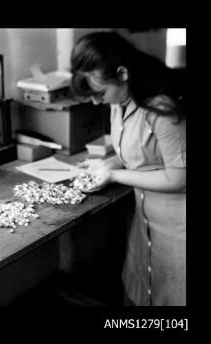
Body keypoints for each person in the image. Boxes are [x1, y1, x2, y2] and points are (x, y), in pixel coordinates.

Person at [70, 31, 186, 306]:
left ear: (122, 73)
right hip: (145, 222)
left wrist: (113, 174)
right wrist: (105, 164)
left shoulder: (160, 106)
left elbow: (179, 177)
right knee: (141, 293)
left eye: (99, 93)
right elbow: (138, 154)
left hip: (178, 228)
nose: (97, 102)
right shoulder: (119, 101)